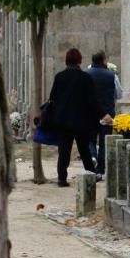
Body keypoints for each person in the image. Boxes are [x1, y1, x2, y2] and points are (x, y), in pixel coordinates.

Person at [48, 48, 100, 187]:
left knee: (64, 150)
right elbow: (92, 101)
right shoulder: (85, 78)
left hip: (63, 120)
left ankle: (62, 178)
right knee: (84, 150)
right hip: (81, 121)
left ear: (66, 60)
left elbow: (52, 97)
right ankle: (91, 173)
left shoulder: (60, 77)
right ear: (79, 60)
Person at [86, 50, 120, 177]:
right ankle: (100, 170)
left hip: (89, 113)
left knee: (90, 140)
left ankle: (92, 157)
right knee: (104, 141)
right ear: (104, 60)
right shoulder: (112, 76)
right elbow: (119, 94)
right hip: (107, 114)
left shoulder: (86, 74)